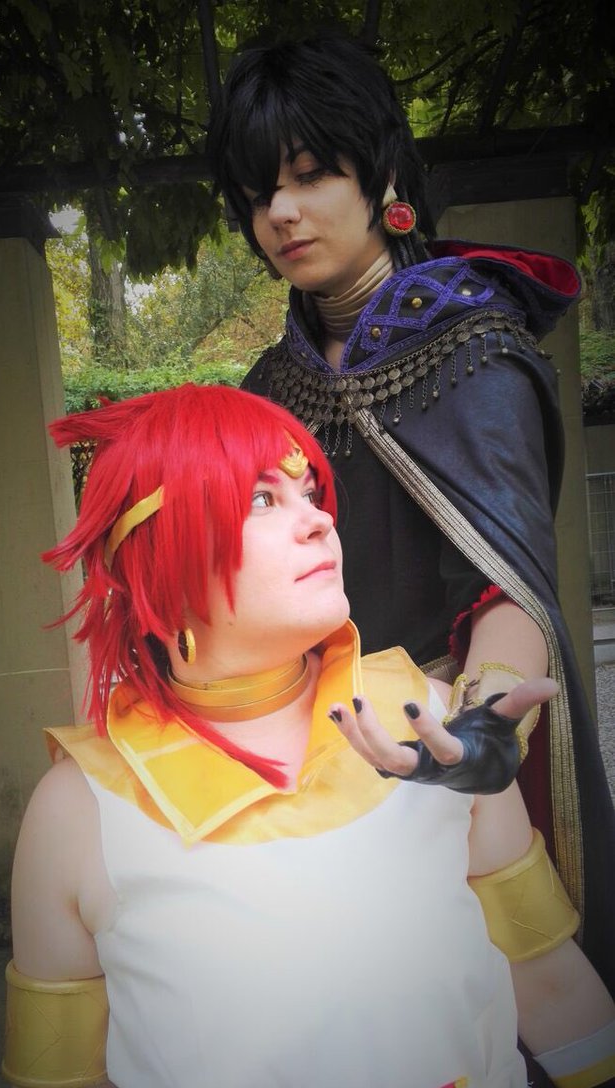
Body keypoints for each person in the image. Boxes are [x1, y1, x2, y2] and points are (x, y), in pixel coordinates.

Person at [0, 384, 615, 1088]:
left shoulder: (430, 729)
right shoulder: (77, 813)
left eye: (310, 491)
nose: (319, 519)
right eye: (261, 498)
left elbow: (547, 977)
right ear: (157, 559)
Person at [207, 34, 615, 1020]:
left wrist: (478, 727)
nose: (281, 213)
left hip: (445, 745)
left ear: (382, 173)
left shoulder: (474, 348)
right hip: (314, 756)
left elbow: (502, 587)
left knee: (516, 1025)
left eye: (310, 174)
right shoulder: (268, 387)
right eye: (259, 194)